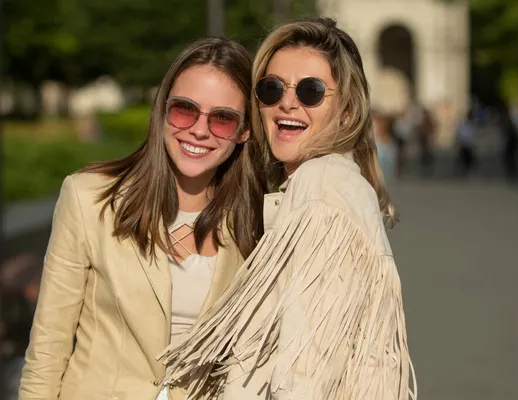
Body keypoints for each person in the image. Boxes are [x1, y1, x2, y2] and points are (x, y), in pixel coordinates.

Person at [161, 18, 417, 400]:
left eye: (312, 91)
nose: (287, 102)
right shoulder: (324, 185)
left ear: (347, 111)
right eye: (271, 88)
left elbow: (305, 372)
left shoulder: (321, 188)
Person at [18, 37, 265, 400]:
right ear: (162, 110)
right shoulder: (89, 199)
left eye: (223, 119)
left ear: (244, 131)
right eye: (185, 109)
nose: (199, 129)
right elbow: (47, 347)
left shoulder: (257, 222)